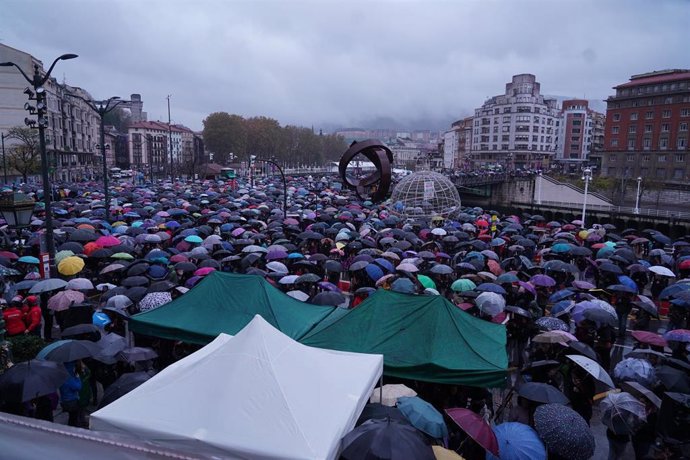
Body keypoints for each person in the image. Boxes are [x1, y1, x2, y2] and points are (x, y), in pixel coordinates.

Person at [59, 361, 83, 427]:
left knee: (72, 417)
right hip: (71, 401)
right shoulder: (70, 377)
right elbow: (78, 387)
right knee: (73, 419)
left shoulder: (62, 375)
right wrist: (78, 378)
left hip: (65, 399)